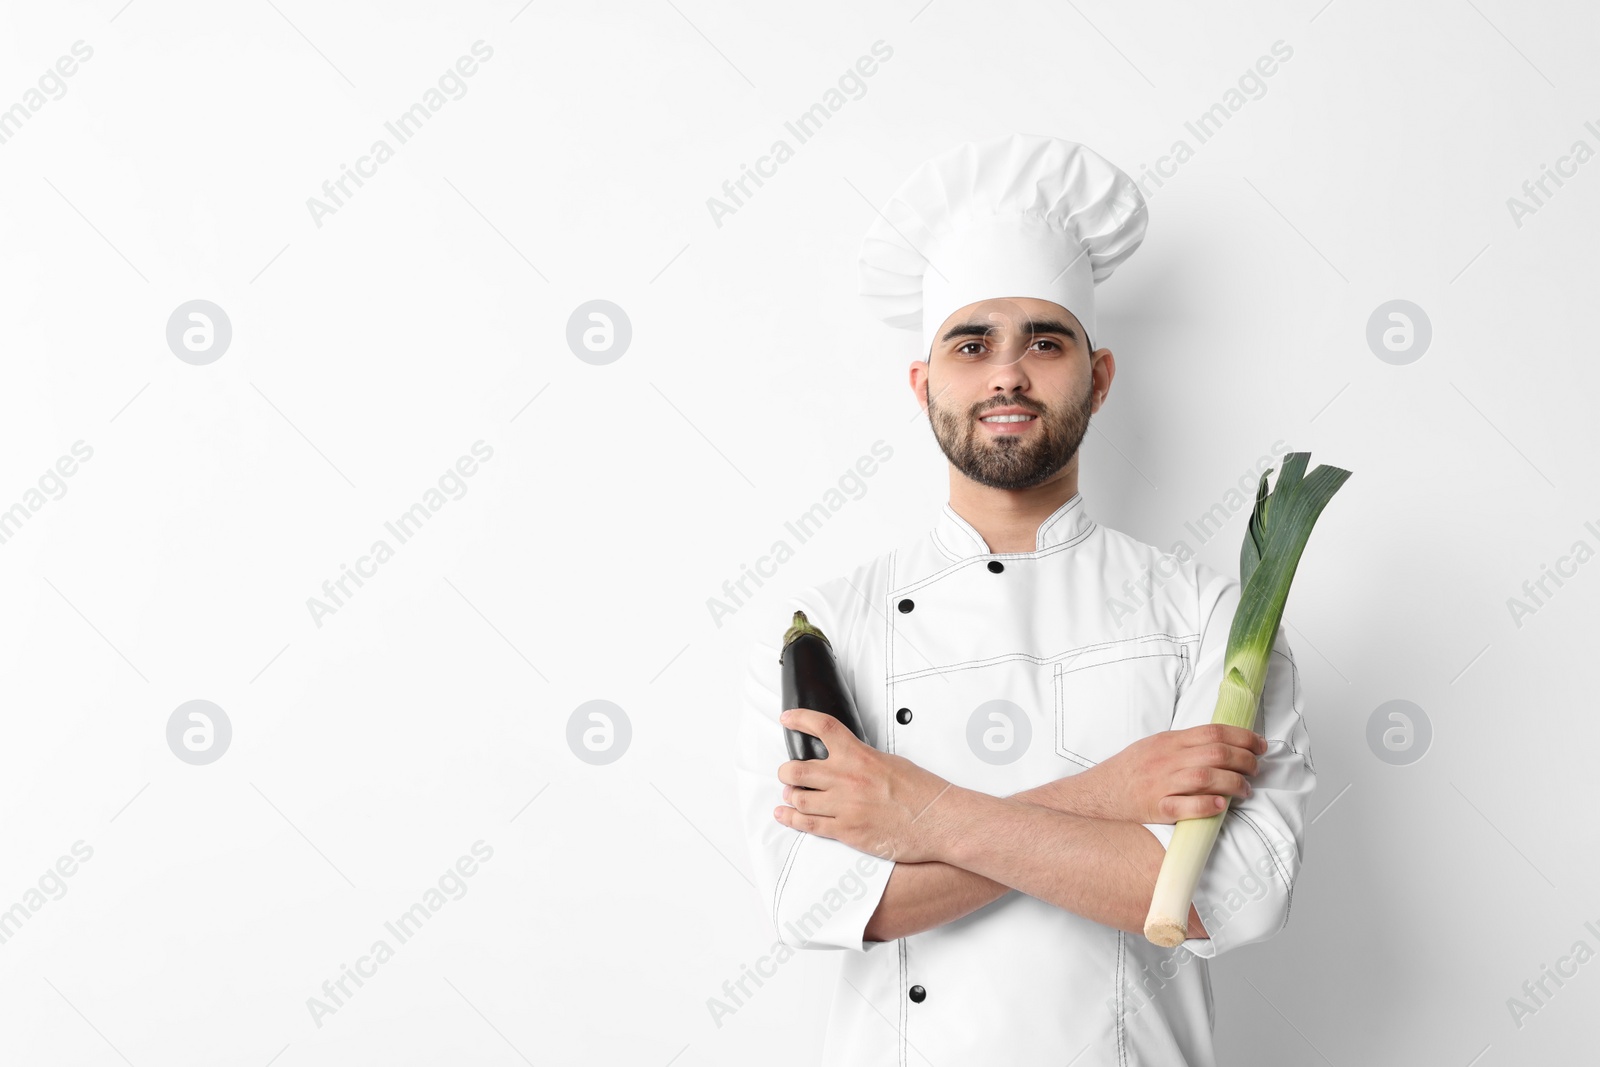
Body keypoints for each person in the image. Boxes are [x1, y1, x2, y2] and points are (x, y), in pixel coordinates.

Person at [733, 134, 1314, 1066]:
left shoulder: (1206, 616)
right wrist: (1109, 798)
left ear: (1100, 377)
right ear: (926, 387)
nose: (1008, 373)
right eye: (973, 344)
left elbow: (1232, 894)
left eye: (1046, 341)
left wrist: (915, 816)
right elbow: (822, 899)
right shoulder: (834, 623)